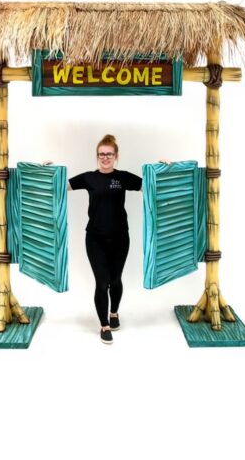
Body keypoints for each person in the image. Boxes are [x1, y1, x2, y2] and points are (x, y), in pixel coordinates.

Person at [68, 134, 142, 344]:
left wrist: (164, 168)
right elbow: (59, 185)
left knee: (115, 280)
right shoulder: (89, 178)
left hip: (120, 238)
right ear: (97, 156)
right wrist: (47, 170)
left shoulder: (123, 178)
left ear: (116, 156)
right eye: (101, 154)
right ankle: (104, 325)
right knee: (102, 283)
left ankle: (114, 313)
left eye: (109, 154)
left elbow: (152, 185)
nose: (105, 158)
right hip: (95, 239)